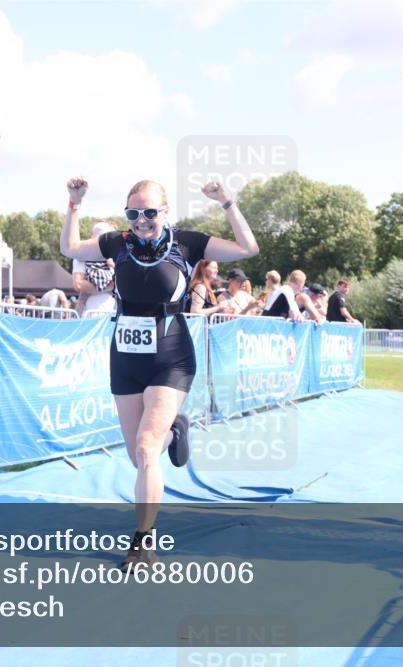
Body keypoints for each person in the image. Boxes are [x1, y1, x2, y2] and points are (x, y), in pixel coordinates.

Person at [60, 176, 258, 570]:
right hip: (125, 356)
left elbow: (248, 249)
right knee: (140, 457)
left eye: (150, 212)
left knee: (147, 448)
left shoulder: (187, 243)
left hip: (171, 356)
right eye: (133, 213)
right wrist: (74, 203)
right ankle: (175, 431)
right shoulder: (116, 242)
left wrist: (226, 202)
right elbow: (69, 247)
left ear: (165, 212)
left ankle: (143, 543)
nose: (141, 220)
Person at [73, 221, 117, 316]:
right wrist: (110, 287)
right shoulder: (82, 256)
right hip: (90, 315)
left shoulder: (115, 256)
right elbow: (79, 285)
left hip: (113, 313)